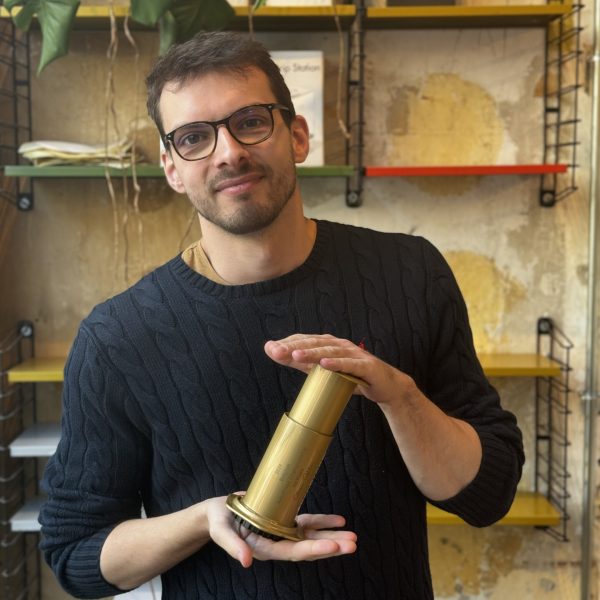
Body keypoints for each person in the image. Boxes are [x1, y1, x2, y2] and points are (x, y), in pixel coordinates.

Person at [39, 31, 524, 600]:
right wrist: (206, 519)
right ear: (172, 168)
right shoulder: (117, 337)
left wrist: (401, 397)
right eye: (195, 137)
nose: (228, 152)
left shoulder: (410, 272)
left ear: (297, 135)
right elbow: (76, 556)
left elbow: (487, 494)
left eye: (250, 122)